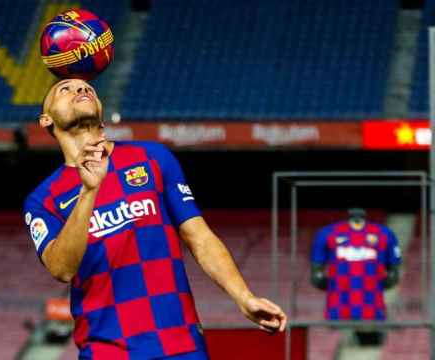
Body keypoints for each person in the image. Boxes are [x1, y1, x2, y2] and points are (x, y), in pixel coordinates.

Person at [23, 78, 287, 359]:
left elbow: (198, 235)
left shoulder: (152, 157)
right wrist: (89, 191)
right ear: (45, 119)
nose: (81, 90)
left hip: (180, 344)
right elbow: (61, 269)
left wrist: (244, 297)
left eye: (88, 89)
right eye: (65, 89)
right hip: (106, 351)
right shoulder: (43, 199)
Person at [311, 208, 401, 322]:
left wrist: (377, 283)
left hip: (372, 307)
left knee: (370, 331)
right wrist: (332, 284)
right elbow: (316, 274)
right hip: (338, 308)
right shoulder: (327, 233)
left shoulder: (385, 233)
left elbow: (394, 272)